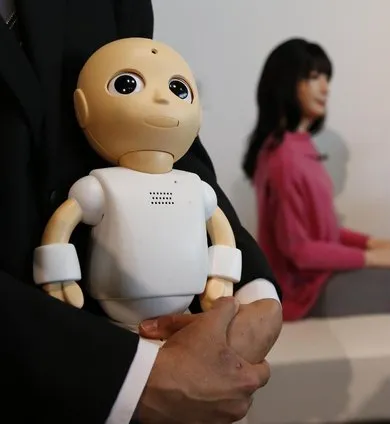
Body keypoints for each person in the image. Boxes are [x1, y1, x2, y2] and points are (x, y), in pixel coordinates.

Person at [1, 1, 282, 423]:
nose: (161, 100)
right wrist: (128, 379)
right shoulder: (95, 194)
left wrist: (250, 292)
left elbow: (171, 146)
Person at [242, 37, 390, 423]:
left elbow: (326, 230)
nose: (325, 87)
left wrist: (376, 242)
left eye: (326, 77)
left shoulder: (298, 147)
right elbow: (300, 250)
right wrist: (372, 256)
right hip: (304, 292)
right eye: (313, 76)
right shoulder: (283, 158)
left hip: (318, 278)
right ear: (286, 81)